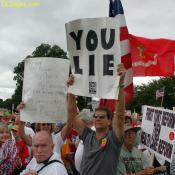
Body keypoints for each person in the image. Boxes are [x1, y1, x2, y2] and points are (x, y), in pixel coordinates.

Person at [67, 64, 126, 175]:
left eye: (102, 116)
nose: (98, 118)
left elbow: (120, 116)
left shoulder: (113, 139)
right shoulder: (88, 135)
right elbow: (72, 115)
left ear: (109, 121)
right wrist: (71, 89)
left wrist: (121, 85)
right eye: (96, 116)